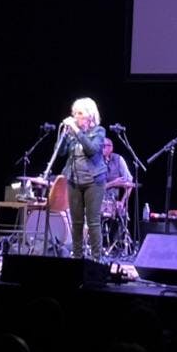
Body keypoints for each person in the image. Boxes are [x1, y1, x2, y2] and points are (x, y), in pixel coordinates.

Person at [59, 97, 107, 262]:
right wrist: (65, 135)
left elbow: (92, 149)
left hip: (94, 182)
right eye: (74, 113)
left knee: (93, 222)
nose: (75, 117)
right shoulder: (72, 133)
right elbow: (60, 152)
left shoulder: (99, 132)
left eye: (79, 113)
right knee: (76, 223)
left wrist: (77, 132)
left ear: (90, 115)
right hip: (74, 181)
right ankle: (77, 258)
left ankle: (96, 260)